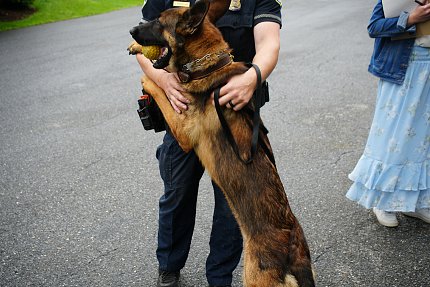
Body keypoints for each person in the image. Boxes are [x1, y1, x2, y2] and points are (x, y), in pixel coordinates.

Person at [135, 0, 282, 286]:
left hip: (234, 110)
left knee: (232, 204)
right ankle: (169, 266)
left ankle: (219, 276)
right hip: (185, 107)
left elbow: (268, 43)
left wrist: (253, 76)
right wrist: (161, 79)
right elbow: (145, 41)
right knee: (178, 191)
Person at [346, 0, 430, 227]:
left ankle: (416, 200)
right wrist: (411, 19)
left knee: (422, 141)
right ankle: (382, 200)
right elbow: (375, 27)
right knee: (393, 139)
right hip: (404, 70)